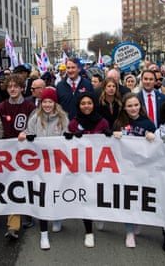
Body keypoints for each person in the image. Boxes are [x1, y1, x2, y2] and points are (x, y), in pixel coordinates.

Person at [0, 74, 36, 240]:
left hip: (26, 153)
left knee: (24, 184)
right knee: (11, 185)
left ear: (22, 88)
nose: (13, 89)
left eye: (16, 86)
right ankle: (12, 224)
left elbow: (33, 129)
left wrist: (26, 134)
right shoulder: (0, 107)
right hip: (7, 153)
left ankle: (21, 218)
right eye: (10, 87)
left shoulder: (30, 107)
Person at [18, 88, 69, 250]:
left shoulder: (63, 118)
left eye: (50, 102)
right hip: (39, 164)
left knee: (56, 192)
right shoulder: (35, 118)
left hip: (56, 163)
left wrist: (68, 137)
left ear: (55, 103)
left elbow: (68, 135)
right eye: (44, 102)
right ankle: (44, 234)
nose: (47, 105)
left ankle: (58, 216)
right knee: (42, 196)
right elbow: (28, 132)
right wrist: (25, 135)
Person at [112, 93, 155, 249]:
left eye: (136, 105)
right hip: (124, 167)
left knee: (140, 197)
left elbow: (156, 147)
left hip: (142, 167)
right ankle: (129, 231)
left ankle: (138, 220)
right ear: (124, 107)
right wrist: (113, 135)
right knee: (127, 199)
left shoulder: (148, 123)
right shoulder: (119, 122)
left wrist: (152, 137)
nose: (133, 108)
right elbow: (109, 144)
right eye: (129, 106)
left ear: (140, 106)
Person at [68, 92, 110, 248]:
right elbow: (66, 145)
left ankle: (100, 215)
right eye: (83, 103)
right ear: (78, 106)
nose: (86, 106)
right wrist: (71, 137)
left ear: (94, 104)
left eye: (89, 103)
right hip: (81, 168)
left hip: (100, 167)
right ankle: (88, 232)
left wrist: (108, 136)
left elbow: (110, 145)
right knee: (85, 197)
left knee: (99, 194)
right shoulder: (73, 124)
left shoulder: (103, 122)